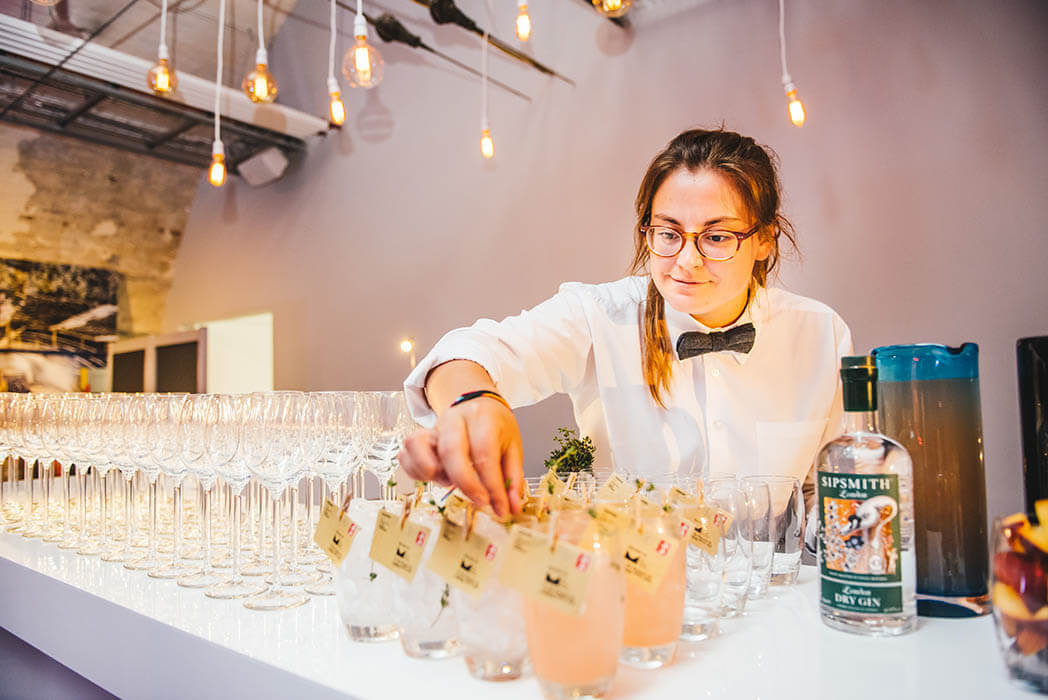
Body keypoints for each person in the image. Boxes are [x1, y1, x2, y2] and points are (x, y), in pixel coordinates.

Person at [399, 128, 852, 518]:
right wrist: (472, 402)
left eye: (717, 237)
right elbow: (473, 350)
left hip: (768, 599)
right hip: (630, 591)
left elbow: (823, 491)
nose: (687, 261)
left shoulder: (821, 334)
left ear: (765, 240)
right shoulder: (600, 315)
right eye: (669, 234)